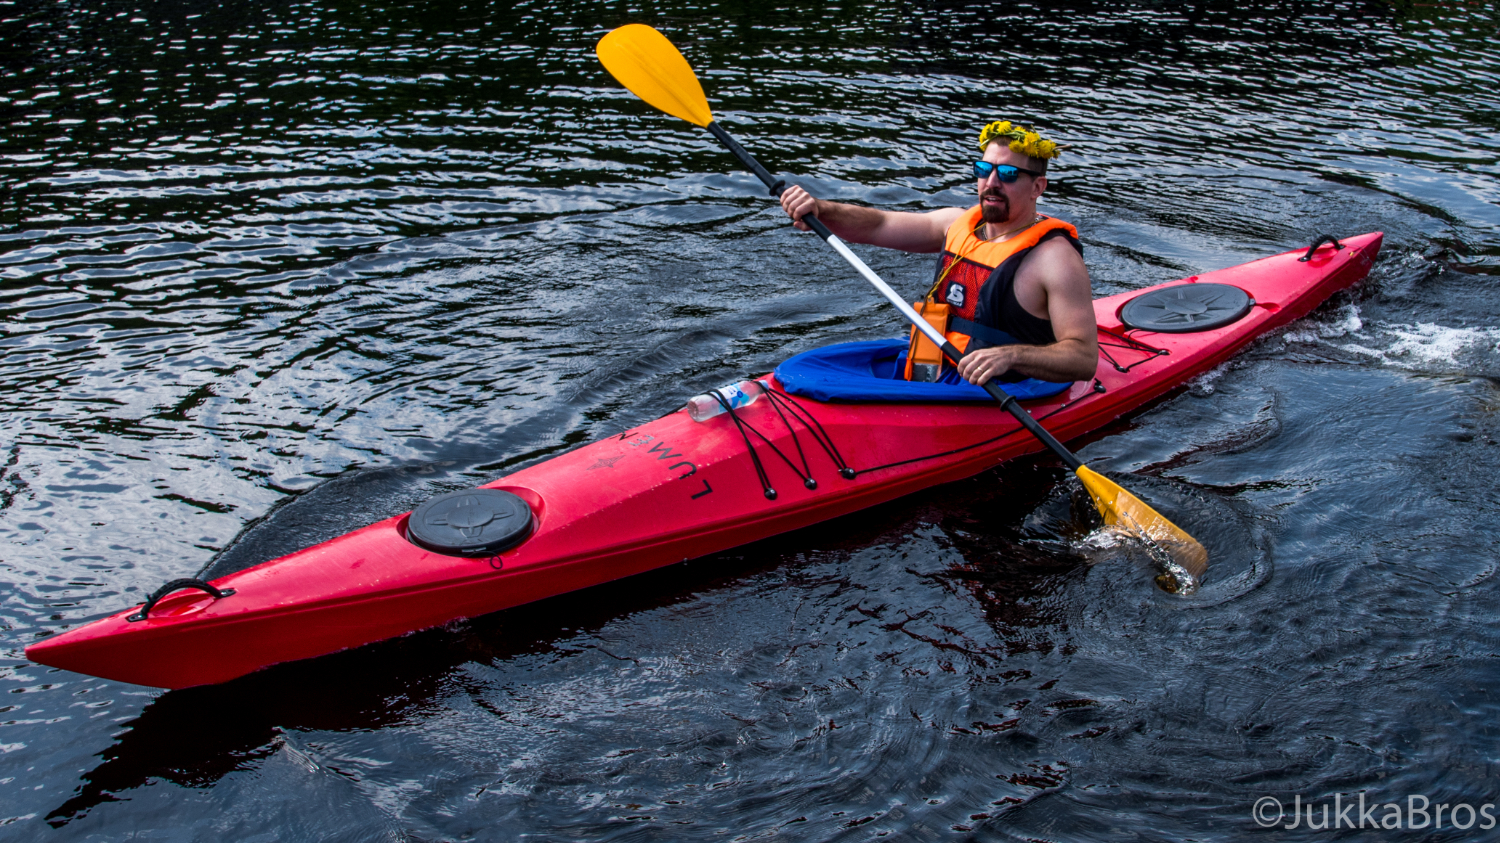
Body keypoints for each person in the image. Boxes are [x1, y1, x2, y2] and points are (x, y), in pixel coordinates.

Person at [778, 121, 1097, 386]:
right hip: (934, 369)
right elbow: (879, 224)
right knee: (806, 368)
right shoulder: (956, 223)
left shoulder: (1055, 259)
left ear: (1037, 187)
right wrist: (822, 209)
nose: (992, 182)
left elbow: (1083, 358)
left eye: (1009, 175)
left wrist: (1011, 355)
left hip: (1006, 391)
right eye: (984, 169)